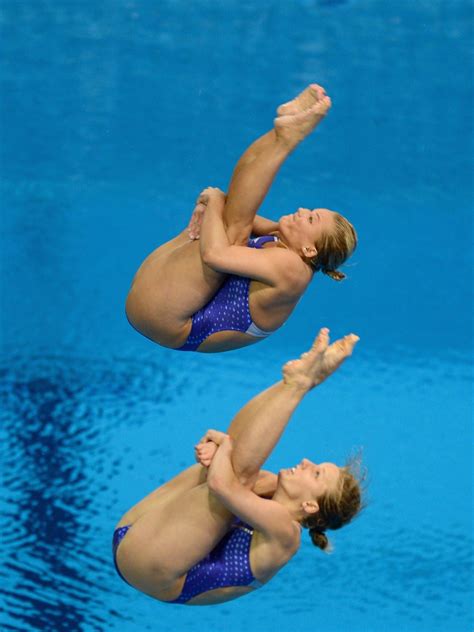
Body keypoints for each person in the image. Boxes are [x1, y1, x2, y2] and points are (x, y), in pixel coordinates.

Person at [112, 328, 364, 605]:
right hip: (138, 532)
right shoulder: (266, 485)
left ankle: (298, 384)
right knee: (240, 468)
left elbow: (223, 486)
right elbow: (234, 454)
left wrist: (222, 444)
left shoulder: (286, 533)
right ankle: (299, 382)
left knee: (236, 474)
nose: (306, 462)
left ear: (310, 507)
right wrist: (223, 448)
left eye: (316, 473)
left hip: (154, 571)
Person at [125, 85, 357, 352]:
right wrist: (217, 202)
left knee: (232, 228)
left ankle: (284, 138)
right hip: (161, 303)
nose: (303, 210)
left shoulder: (292, 269)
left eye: (312, 220)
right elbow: (239, 208)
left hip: (168, 320)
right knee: (233, 216)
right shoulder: (287, 244)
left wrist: (212, 199)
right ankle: (280, 135)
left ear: (309, 249)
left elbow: (215, 255)